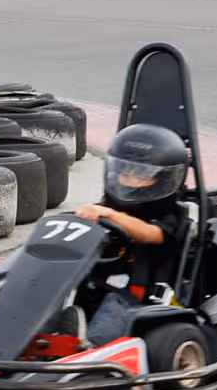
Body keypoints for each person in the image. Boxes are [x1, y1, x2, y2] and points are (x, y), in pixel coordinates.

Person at [72, 122, 195, 344]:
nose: (125, 179)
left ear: (163, 180)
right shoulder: (108, 206)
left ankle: (91, 351)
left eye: (139, 175)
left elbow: (152, 234)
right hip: (96, 286)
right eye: (123, 171)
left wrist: (109, 215)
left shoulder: (170, 214)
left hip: (138, 298)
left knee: (113, 306)